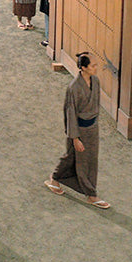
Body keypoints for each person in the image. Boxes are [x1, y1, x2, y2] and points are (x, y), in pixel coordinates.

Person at [45, 53, 110, 209]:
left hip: (92, 128)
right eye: (93, 66)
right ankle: (90, 194)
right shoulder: (74, 87)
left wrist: (95, 125)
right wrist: (75, 138)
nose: (96, 68)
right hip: (78, 130)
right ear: (83, 68)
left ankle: (57, 179)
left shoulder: (95, 81)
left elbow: (96, 104)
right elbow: (70, 113)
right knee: (74, 157)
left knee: (90, 159)